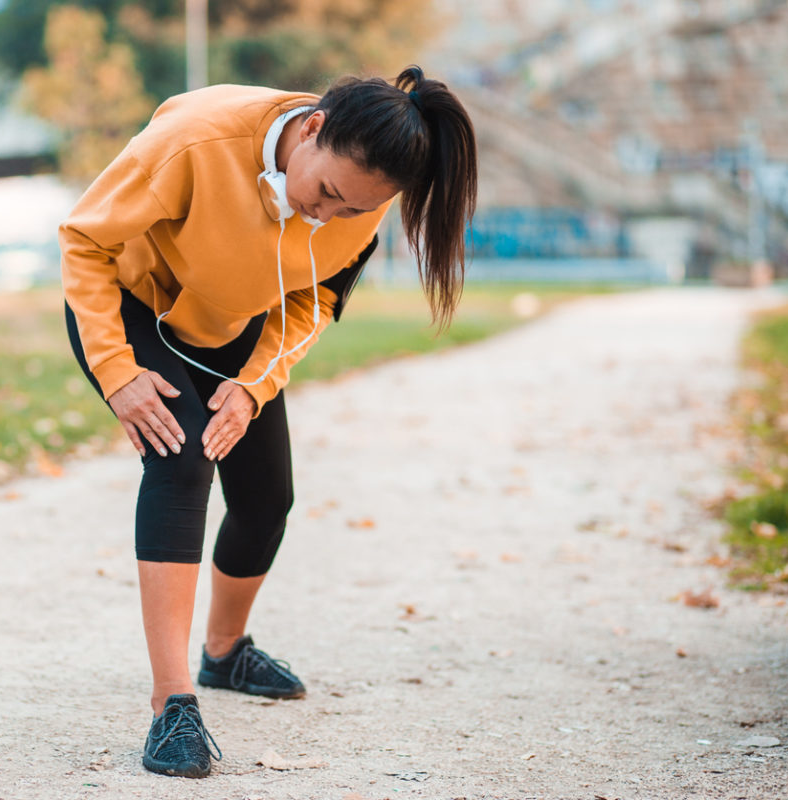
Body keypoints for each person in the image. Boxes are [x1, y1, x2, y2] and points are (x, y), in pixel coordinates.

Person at [60, 65, 477, 779]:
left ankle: (224, 654)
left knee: (265, 497)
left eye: (351, 211)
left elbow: (313, 300)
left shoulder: (362, 197)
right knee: (183, 457)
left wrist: (254, 387)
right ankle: (172, 706)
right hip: (134, 305)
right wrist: (117, 372)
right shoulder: (196, 142)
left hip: (233, 325)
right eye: (327, 195)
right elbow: (84, 241)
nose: (327, 217)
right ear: (312, 128)